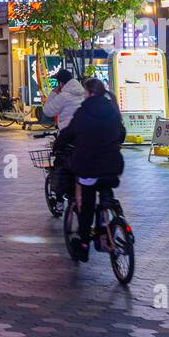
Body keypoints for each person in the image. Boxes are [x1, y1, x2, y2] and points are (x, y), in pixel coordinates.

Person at [60, 78, 126, 263]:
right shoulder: (112, 108)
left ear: (88, 93)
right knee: (105, 190)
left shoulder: (83, 112)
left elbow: (68, 133)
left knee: (87, 205)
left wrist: (58, 145)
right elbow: (121, 134)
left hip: (88, 168)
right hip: (113, 167)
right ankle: (108, 223)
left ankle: (83, 245)